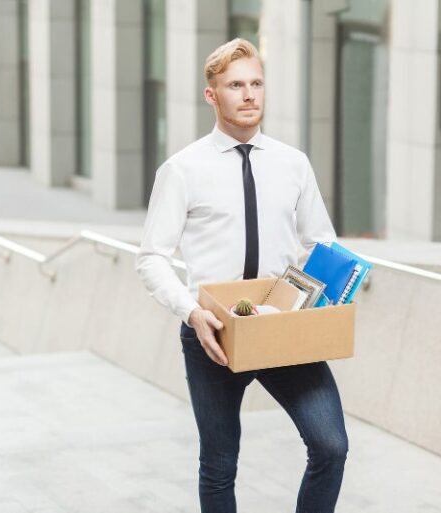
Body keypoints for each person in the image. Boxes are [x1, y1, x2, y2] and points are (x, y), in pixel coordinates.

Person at [135, 38, 349, 513]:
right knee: (219, 465)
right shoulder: (182, 170)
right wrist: (191, 312)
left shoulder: (293, 163)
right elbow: (151, 256)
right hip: (214, 333)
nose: (249, 94)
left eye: (256, 83)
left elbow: (321, 241)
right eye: (235, 85)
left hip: (281, 324)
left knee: (331, 445)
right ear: (212, 95)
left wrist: (327, 291)